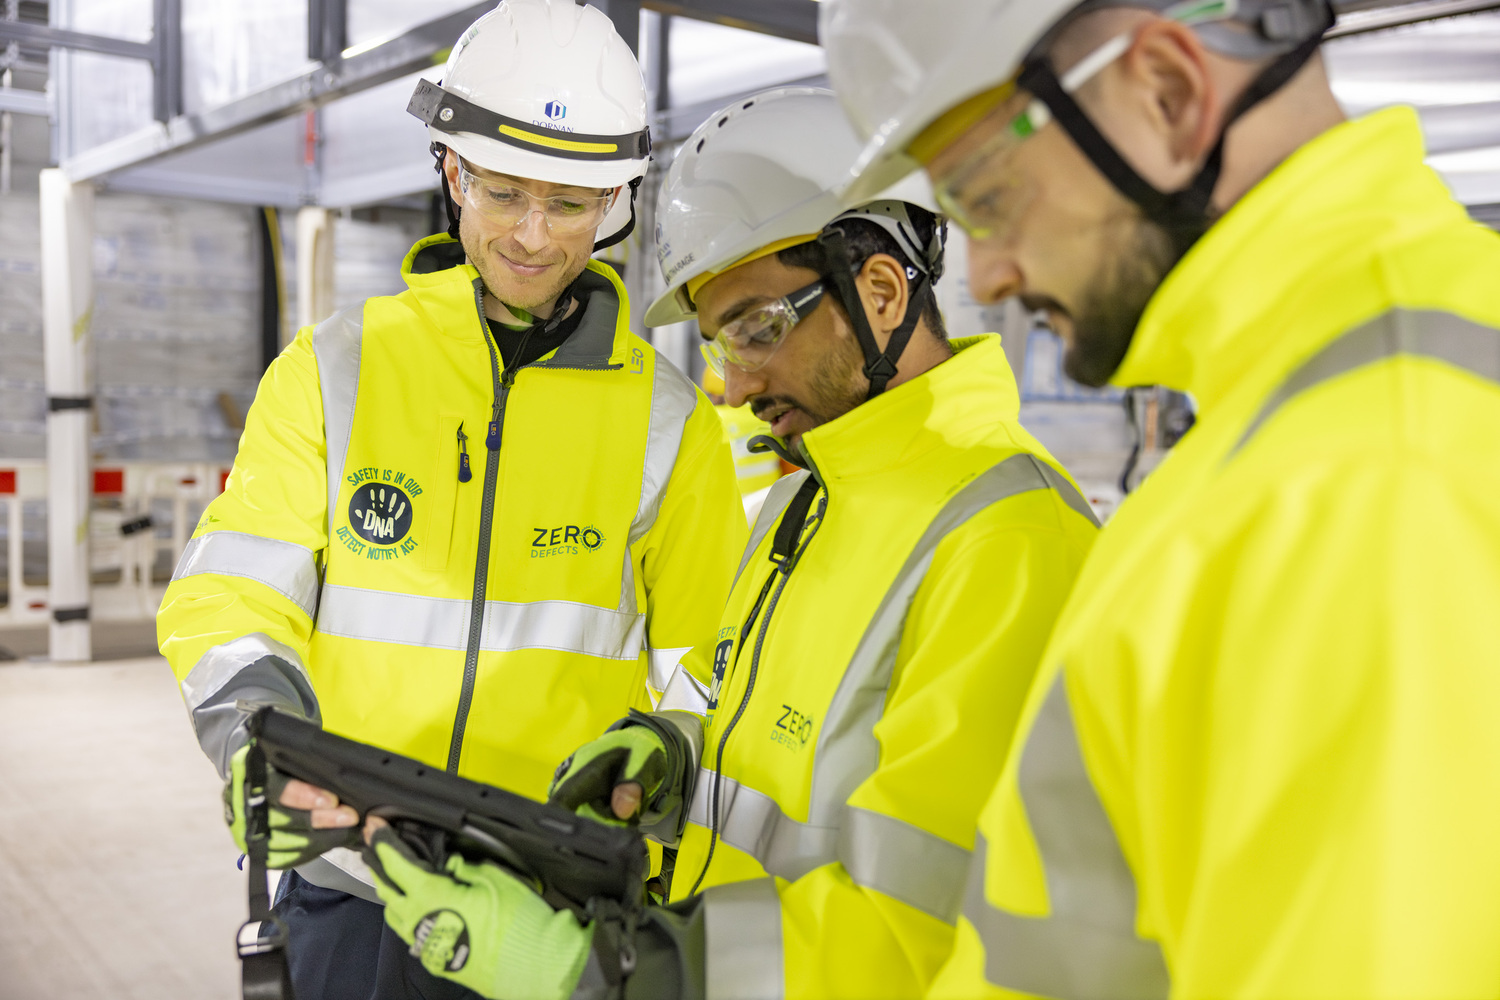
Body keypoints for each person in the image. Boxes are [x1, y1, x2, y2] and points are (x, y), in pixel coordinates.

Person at [356, 86, 1100, 1000]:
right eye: (716, 343)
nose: (733, 385)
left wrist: (602, 971)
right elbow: (791, 755)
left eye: (755, 330)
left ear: (879, 289)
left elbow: (927, 917)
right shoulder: (808, 501)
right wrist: (677, 754)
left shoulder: (1007, 540)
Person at [819, 0, 1500, 995]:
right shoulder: (1303, 422)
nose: (991, 276)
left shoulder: (1362, 483)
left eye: (990, 198)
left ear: (1171, 95)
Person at [156, 2, 745, 996]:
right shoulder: (334, 368)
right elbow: (234, 590)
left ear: (616, 201)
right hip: (351, 872)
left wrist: (670, 745)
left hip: (548, 901)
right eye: (503, 190)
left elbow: (715, 655)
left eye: (570, 205)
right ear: (451, 169)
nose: (531, 234)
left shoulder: (668, 422)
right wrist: (257, 728)